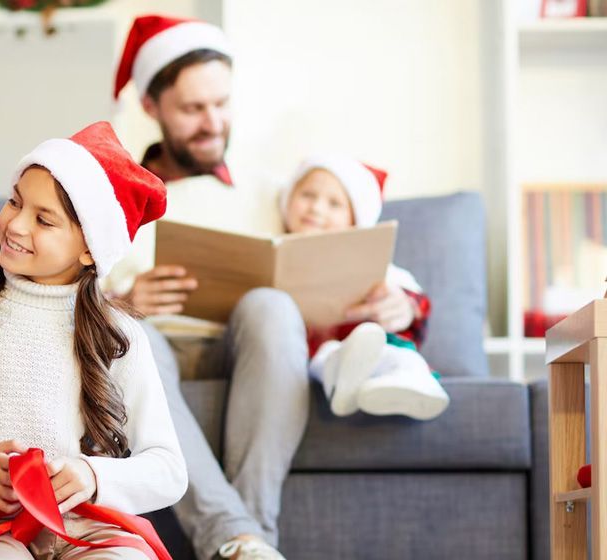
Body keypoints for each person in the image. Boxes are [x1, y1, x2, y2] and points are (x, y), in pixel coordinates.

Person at [0, 122, 187, 558]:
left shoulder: (121, 336)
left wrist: (92, 476)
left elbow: (168, 469)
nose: (16, 224)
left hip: (91, 527)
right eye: (14, 201)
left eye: (43, 219)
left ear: (90, 249)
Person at [108, 15, 303, 560]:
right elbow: (58, 298)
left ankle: (242, 537)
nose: (213, 122)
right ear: (152, 107)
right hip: (150, 353)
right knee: (127, 331)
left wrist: (394, 302)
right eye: (193, 109)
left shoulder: (276, 195)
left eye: (222, 104)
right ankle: (245, 541)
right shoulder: (108, 197)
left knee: (272, 305)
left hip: (241, 354)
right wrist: (119, 302)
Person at [283, 155, 449, 421]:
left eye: (334, 203)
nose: (316, 208)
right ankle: (342, 380)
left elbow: (416, 305)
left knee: (396, 353)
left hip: (373, 342)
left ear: (354, 220)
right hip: (317, 354)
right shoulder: (277, 258)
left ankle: (412, 383)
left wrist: (404, 306)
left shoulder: (376, 268)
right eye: (307, 195)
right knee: (326, 356)